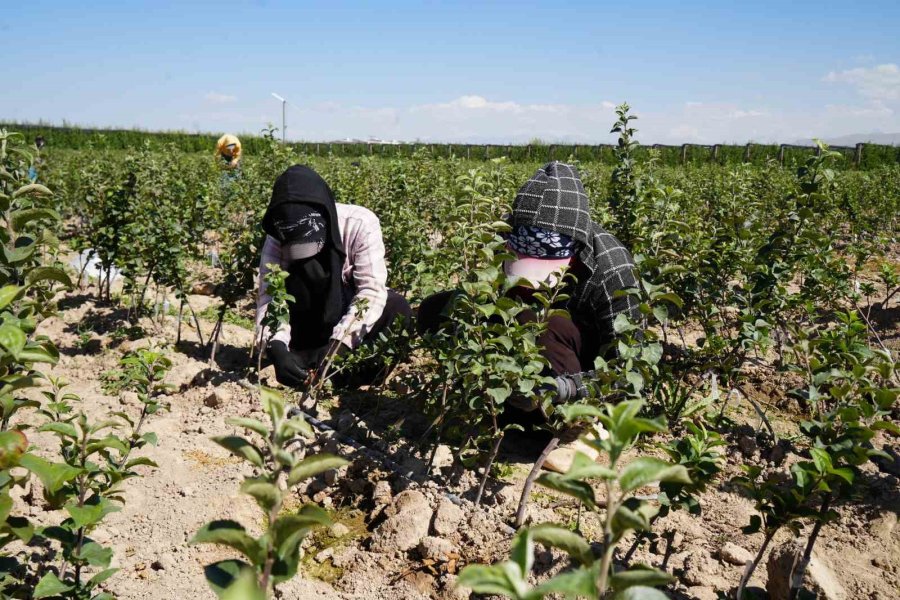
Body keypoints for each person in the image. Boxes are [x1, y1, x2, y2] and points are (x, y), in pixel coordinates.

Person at [418, 161, 641, 463]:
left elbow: (628, 370)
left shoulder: (612, 268)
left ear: (574, 245)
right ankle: (509, 408)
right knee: (438, 308)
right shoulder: (506, 240)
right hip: (527, 361)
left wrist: (564, 388)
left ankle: (573, 425)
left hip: (576, 366)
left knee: (541, 323)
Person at [257, 165, 412, 388]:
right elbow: (270, 296)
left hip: (346, 318)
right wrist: (276, 347)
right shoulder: (277, 235)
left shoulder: (360, 223)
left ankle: (346, 376)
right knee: (299, 276)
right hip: (306, 321)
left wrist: (341, 345)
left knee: (396, 307)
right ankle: (302, 365)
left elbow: (371, 290)